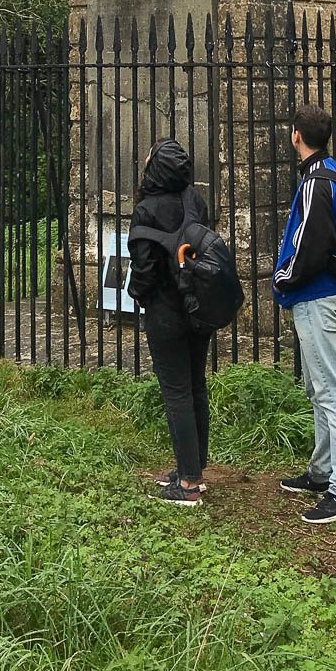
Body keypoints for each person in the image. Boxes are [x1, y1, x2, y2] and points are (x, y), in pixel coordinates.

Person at [272, 101, 336, 524]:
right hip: (320, 295)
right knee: (318, 387)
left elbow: (312, 242)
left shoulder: (315, 183)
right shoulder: (333, 172)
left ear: (296, 136)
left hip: (315, 295)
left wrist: (284, 278)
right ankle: (323, 471)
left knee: (331, 392)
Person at [127, 138, 212, 507]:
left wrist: (138, 294)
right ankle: (193, 468)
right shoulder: (195, 201)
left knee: (176, 391)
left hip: (165, 309)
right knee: (195, 386)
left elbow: (144, 267)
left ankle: (188, 484)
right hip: (198, 305)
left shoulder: (146, 210)